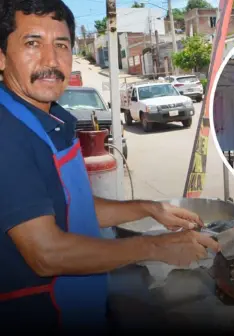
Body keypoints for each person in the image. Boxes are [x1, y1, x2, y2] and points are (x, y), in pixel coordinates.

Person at [0, 0, 219, 333]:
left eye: (61, 45)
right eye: (32, 44)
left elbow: (73, 207)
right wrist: (155, 246)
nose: (50, 60)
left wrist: (149, 208)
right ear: (1, 57)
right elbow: (45, 253)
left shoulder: (51, 117)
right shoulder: (7, 131)